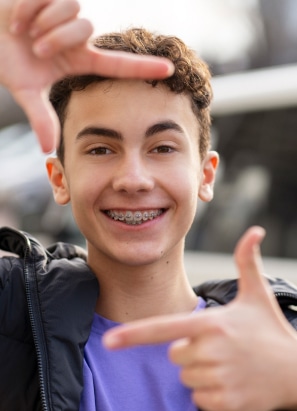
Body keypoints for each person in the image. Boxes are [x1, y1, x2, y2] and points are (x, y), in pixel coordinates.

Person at [1, 1, 297, 411]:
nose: (134, 179)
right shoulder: (10, 315)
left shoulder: (280, 340)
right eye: (102, 148)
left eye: (162, 147)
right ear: (60, 179)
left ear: (206, 175)